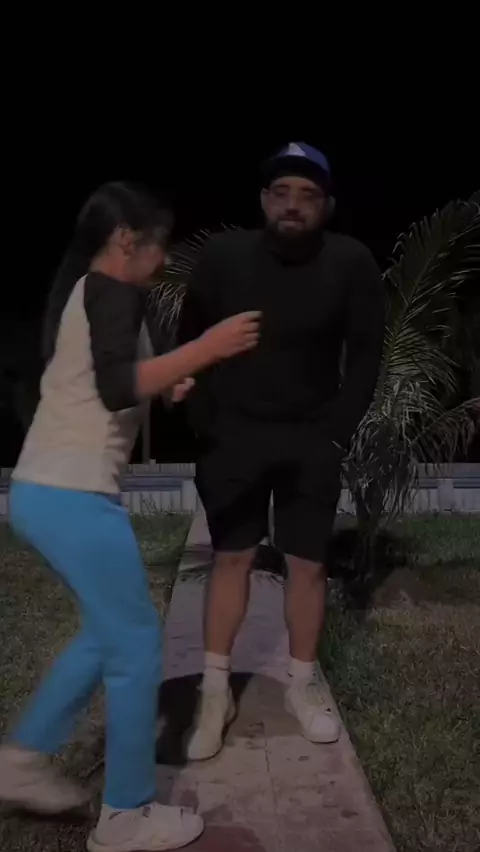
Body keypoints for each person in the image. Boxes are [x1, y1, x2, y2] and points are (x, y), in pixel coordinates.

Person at [0, 181, 260, 852]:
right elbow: (117, 387)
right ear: (126, 240)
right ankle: (126, 815)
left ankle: (21, 759)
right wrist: (208, 347)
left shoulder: (93, 295)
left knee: (106, 633)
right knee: (138, 642)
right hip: (73, 495)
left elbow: (114, 381)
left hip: (48, 492)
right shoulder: (110, 290)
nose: (163, 258)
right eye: (159, 244)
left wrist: (170, 379)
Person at [176, 143, 385, 760]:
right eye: (281, 192)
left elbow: (365, 355)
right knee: (231, 559)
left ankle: (301, 684)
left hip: (311, 438)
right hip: (233, 439)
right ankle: (215, 692)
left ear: (327, 205)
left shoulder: (350, 261)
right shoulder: (223, 256)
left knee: (308, 566)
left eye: (308, 195)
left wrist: (337, 433)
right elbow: (191, 340)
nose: (293, 205)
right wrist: (204, 423)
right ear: (263, 200)